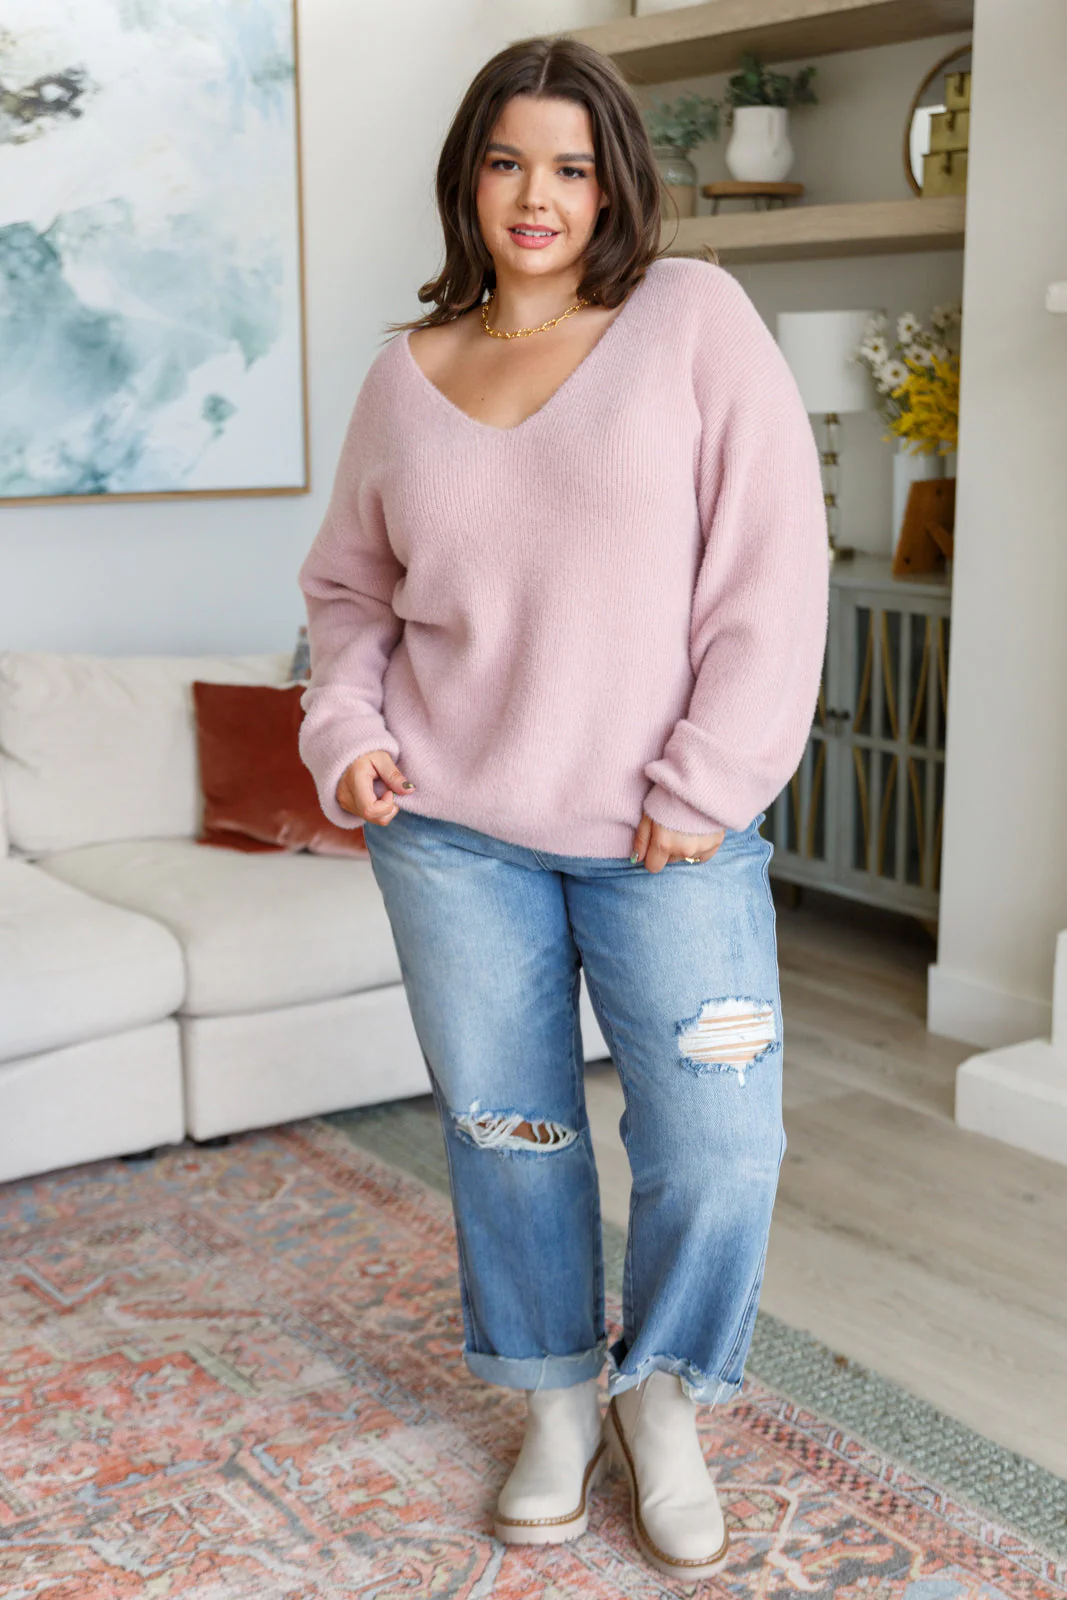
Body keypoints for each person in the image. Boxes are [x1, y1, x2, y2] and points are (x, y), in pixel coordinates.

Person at [297, 34, 829, 1584]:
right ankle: (549, 1402)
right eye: (507, 161)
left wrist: (709, 779)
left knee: (719, 1145)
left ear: (615, 184)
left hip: (669, 836)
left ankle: (659, 1399)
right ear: (468, 178)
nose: (537, 196)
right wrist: (346, 729)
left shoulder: (690, 319)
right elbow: (349, 595)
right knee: (509, 1134)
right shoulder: (405, 376)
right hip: (450, 834)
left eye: (572, 166)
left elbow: (771, 568)